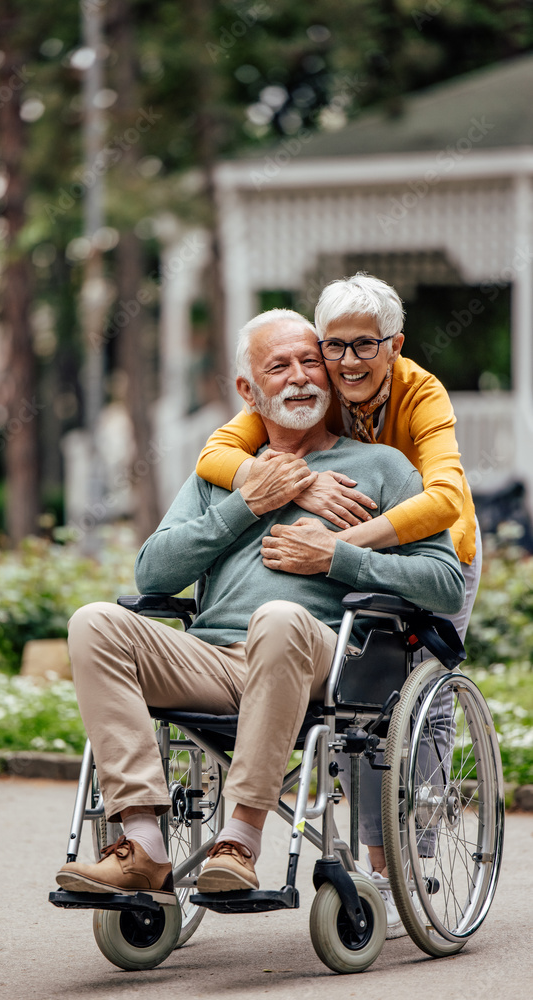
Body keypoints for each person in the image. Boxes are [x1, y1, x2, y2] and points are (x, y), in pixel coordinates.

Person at [55, 308, 464, 910]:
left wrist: (338, 558)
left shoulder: (380, 467)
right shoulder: (221, 475)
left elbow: (445, 585)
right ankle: (143, 847)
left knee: (278, 618)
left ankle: (239, 841)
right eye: (279, 367)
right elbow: (152, 571)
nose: (300, 377)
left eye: (309, 361)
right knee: (94, 622)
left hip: (321, 655)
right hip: (213, 659)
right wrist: (245, 505)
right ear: (248, 390)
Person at [196, 274, 481, 888]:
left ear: (394, 346)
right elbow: (215, 457)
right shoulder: (312, 383)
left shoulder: (421, 393)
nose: (347, 362)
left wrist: (340, 546)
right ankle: (377, 859)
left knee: (413, 698)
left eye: (365, 345)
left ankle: (415, 854)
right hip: (335, 561)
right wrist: (304, 481)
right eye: (335, 345)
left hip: (439, 551)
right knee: (360, 697)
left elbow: (447, 500)